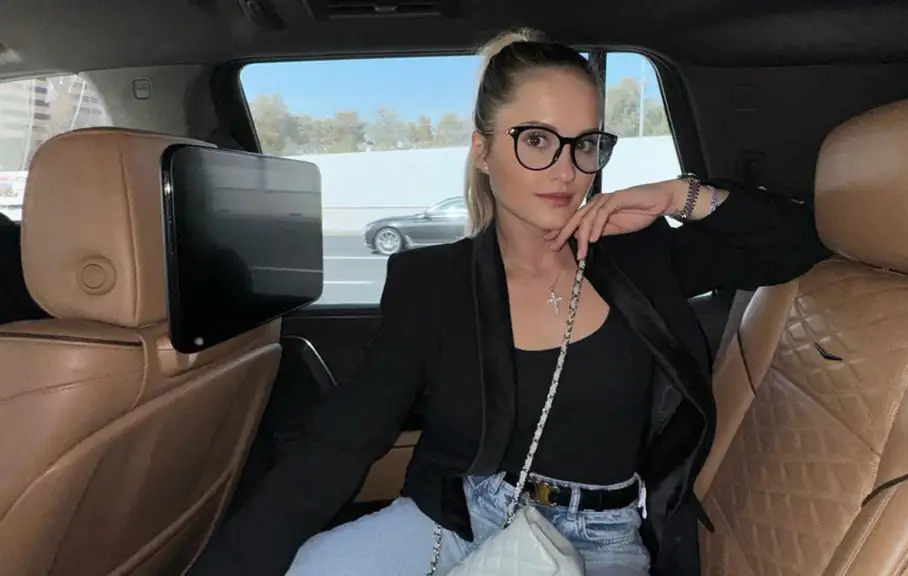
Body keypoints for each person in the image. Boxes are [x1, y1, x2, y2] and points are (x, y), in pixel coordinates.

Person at [188, 28, 830, 576]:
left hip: (603, 539)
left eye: (585, 143)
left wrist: (677, 196)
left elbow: (797, 245)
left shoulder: (638, 254)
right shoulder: (431, 281)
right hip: (459, 517)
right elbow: (340, 442)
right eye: (537, 139)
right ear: (483, 149)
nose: (567, 169)